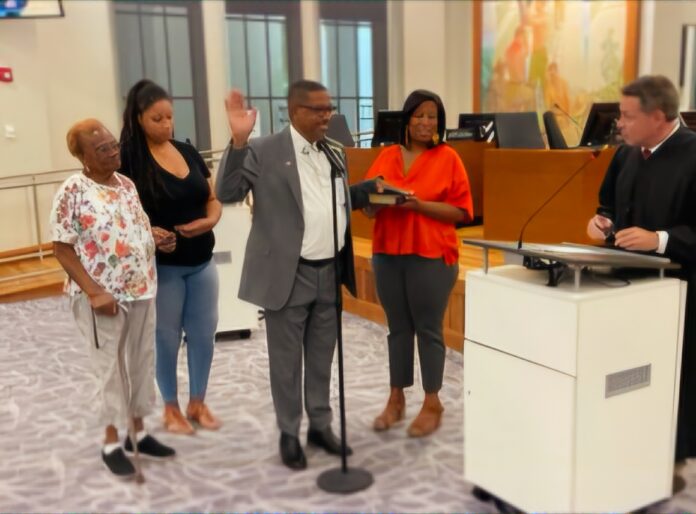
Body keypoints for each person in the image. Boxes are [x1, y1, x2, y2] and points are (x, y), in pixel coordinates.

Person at [217, 80, 382, 470]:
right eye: (318, 109)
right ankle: (289, 432)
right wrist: (238, 141)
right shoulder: (263, 150)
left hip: (330, 270)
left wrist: (368, 193)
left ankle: (320, 425)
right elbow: (227, 191)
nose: (328, 115)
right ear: (294, 111)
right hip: (288, 274)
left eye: (329, 107)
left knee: (323, 356)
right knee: (287, 362)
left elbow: (331, 199)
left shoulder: (334, 151)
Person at [586, 75, 696, 493]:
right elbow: (607, 207)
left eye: (629, 116)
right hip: (626, 283)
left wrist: (661, 239)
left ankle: (669, 457)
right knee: (628, 369)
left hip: (681, 287)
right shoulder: (626, 155)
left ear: (658, 116)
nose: (620, 124)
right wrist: (599, 223)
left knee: (673, 375)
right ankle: (628, 445)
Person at [51, 119, 175, 478]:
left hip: (140, 288)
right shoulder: (72, 191)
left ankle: (138, 431)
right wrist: (94, 291)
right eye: (102, 149)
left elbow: (130, 229)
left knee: (140, 363)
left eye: (112, 145)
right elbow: (62, 248)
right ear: (83, 157)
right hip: (101, 297)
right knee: (110, 370)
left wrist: (155, 238)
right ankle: (110, 441)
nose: (112, 151)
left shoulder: (127, 185)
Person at [364, 90, 473, 438]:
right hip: (387, 253)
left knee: (428, 329)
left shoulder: (449, 158)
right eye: (419, 116)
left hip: (431, 255)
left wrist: (417, 206)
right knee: (397, 328)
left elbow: (461, 212)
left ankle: (432, 401)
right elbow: (367, 206)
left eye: (432, 117)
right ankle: (396, 398)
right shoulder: (387, 156)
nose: (426, 123)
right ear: (406, 120)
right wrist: (380, 200)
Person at [119, 80, 222, 435]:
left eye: (169, 118)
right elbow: (121, 214)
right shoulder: (128, 158)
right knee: (165, 337)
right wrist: (150, 233)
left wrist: (210, 220)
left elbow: (212, 197)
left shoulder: (186, 150)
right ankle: (170, 407)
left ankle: (198, 401)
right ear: (138, 118)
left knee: (203, 334)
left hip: (202, 260)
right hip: (163, 267)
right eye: (156, 119)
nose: (166, 125)